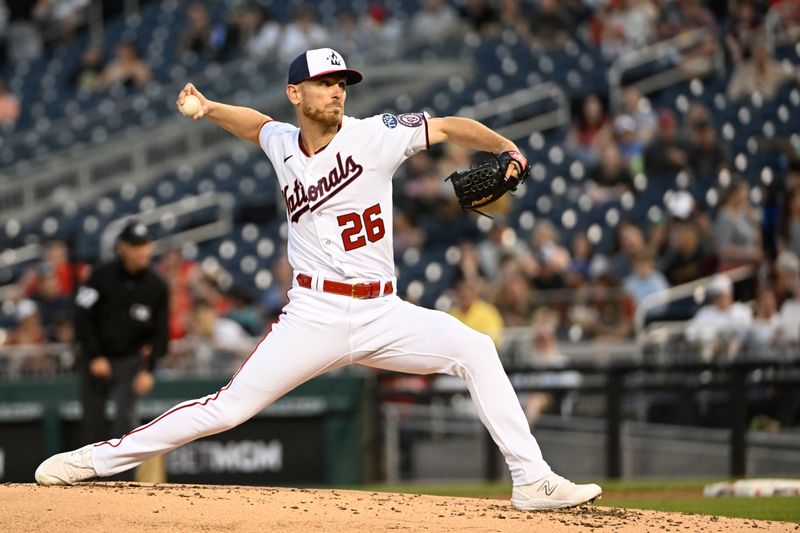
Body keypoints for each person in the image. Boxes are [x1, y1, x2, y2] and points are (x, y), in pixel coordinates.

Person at [36, 47, 601, 511]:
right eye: (325, 82)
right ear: (295, 94)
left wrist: (505, 146)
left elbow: (448, 125)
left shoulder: (374, 134)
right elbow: (256, 126)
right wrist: (208, 108)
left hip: (383, 312)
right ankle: (97, 460)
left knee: (476, 349)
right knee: (226, 409)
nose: (336, 91)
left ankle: (532, 479)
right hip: (314, 316)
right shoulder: (283, 142)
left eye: (342, 82)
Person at [71, 221, 169, 446]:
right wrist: (95, 355)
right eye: (136, 245)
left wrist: (149, 369)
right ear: (122, 248)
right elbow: (82, 316)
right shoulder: (100, 276)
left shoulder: (157, 286)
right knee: (93, 422)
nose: (143, 251)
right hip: (97, 359)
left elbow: (161, 333)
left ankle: (126, 480)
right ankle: (89, 480)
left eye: (145, 245)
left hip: (130, 361)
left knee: (125, 422)